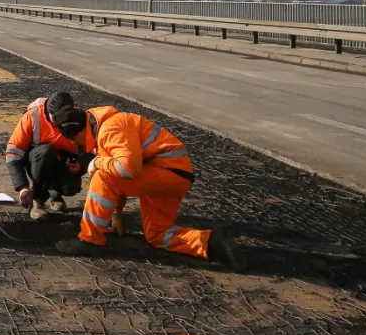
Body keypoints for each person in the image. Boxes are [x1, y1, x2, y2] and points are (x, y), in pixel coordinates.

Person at [58, 105, 245, 269]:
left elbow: (127, 169)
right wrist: (116, 214)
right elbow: (119, 176)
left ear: (79, 132)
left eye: (74, 140)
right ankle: (211, 242)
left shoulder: (110, 127)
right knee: (158, 235)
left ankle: (90, 241)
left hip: (167, 171)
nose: (76, 145)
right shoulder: (102, 128)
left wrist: (97, 162)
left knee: (102, 175)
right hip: (170, 176)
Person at [5, 92, 91, 220]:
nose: (58, 123)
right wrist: (23, 187)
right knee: (46, 152)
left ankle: (54, 194)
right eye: (55, 118)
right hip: (37, 160)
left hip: (62, 161)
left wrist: (81, 164)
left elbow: (91, 151)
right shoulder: (33, 116)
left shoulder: (76, 120)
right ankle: (38, 199)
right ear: (48, 110)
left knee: (70, 187)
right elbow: (13, 153)